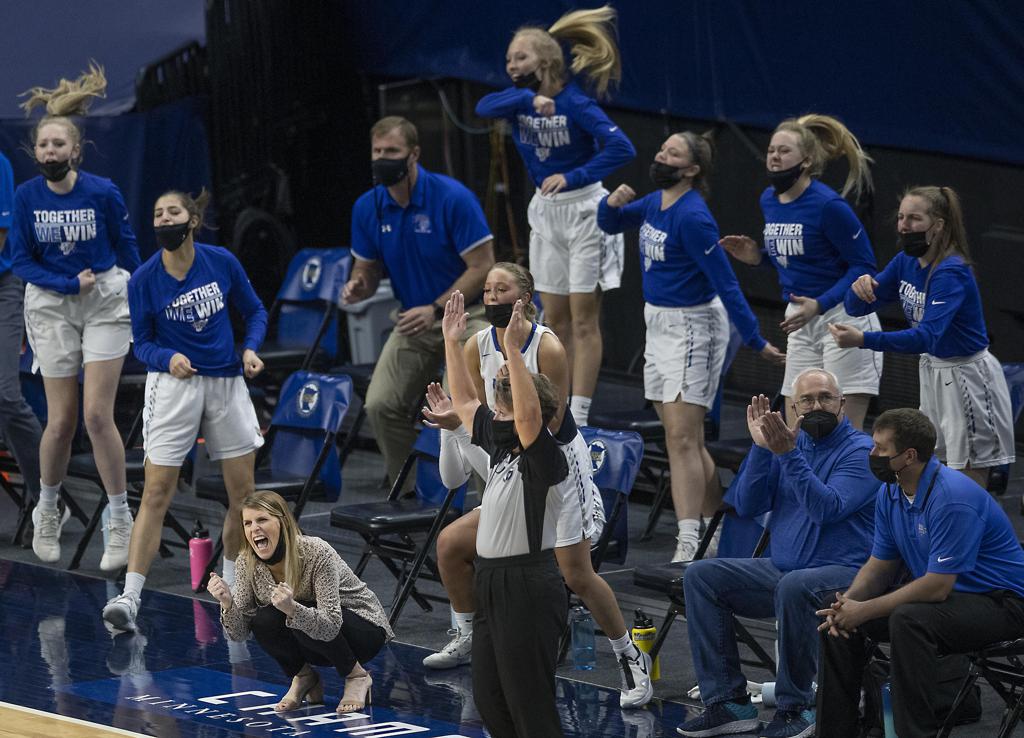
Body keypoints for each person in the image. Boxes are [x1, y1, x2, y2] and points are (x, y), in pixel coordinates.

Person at [420, 262, 653, 709]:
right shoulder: (475, 345)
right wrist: (463, 413)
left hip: (553, 461)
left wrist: (481, 424)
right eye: (487, 290)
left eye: (501, 289)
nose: (491, 297)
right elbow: (469, 402)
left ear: (524, 297)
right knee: (451, 543)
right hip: (508, 452)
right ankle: (469, 636)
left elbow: (549, 419)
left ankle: (629, 655)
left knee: (576, 573)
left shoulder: (547, 346)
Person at [597, 131, 785, 563]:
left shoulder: (694, 217)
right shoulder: (655, 203)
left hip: (693, 326)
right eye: (662, 149)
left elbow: (727, 283)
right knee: (686, 439)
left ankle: (688, 540)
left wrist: (756, 340)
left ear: (692, 170)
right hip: (658, 322)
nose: (661, 156)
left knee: (682, 439)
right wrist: (609, 203)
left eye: (673, 153)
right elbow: (610, 223)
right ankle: (717, 527)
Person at [676, 369, 877, 738]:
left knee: (795, 586)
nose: (816, 406)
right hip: (785, 570)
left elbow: (826, 509)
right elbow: (748, 504)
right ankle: (728, 703)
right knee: (701, 576)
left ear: (842, 404)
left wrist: (787, 455)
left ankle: (797, 707)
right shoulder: (787, 444)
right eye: (806, 400)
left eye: (825, 397)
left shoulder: (861, 451)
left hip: (847, 575)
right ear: (792, 408)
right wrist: (761, 449)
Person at [101, 189, 267, 632]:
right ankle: (130, 597)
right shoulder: (143, 279)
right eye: (157, 213)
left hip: (226, 381)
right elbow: (142, 343)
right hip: (175, 387)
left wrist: (250, 348)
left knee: (243, 495)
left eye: (172, 211)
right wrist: (167, 357)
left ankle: (232, 593)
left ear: (192, 220)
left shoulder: (221, 262)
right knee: (156, 492)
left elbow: (254, 310)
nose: (163, 219)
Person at [815, 408, 1024, 738]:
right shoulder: (890, 491)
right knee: (835, 613)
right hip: (951, 599)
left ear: (909, 456)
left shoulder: (952, 497)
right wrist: (848, 604)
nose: (872, 454)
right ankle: (836, 732)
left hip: (1003, 603)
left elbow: (936, 587)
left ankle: (913, 734)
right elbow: (880, 566)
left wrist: (865, 610)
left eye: (880, 448)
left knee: (910, 620)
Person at [474, 4, 636, 427]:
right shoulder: (518, 102)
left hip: (584, 211)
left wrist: (574, 175)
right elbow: (483, 107)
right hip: (546, 213)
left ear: (545, 61)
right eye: (508, 59)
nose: (512, 65)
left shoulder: (575, 103)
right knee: (554, 319)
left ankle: (579, 413)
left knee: (583, 321)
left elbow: (623, 148)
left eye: (520, 57)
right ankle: (555, 407)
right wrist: (529, 98)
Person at [9, 63, 140, 567]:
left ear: (75, 150)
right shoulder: (26, 197)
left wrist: (147, 296)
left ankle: (120, 519)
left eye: (58, 144)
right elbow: (20, 261)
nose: (50, 152)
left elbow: (127, 248)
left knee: (96, 415)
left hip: (103, 299)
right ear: (36, 152)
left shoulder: (102, 192)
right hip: (51, 301)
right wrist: (67, 283)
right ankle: (48, 508)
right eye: (43, 145)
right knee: (61, 420)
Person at [343, 116, 494, 492]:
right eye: (377, 151)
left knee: (462, 404)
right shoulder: (368, 206)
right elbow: (367, 269)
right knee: (380, 404)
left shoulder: (452, 198)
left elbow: (483, 266)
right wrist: (359, 286)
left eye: (391, 151)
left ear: (413, 154)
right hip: (414, 318)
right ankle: (414, 491)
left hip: (468, 315)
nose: (383, 158)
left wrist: (438, 309)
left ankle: (487, 498)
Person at [443, 289, 569, 738]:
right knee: (490, 697)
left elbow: (530, 417)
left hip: (528, 583)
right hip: (491, 580)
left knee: (528, 703)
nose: (494, 415)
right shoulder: (503, 449)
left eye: (503, 409)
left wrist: (513, 350)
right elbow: (463, 401)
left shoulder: (547, 457)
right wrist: (452, 342)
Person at [832, 186, 1016, 487]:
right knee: (932, 467)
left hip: (966, 376)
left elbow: (926, 337)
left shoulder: (951, 272)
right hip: (933, 371)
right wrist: (857, 288)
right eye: (901, 217)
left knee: (967, 478)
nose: (904, 225)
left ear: (938, 225)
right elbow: (857, 307)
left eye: (914, 218)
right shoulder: (905, 262)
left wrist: (864, 340)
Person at [720, 114, 881, 430]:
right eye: (771, 150)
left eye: (784, 151)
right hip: (801, 319)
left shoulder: (828, 206)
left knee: (843, 431)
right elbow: (797, 258)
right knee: (797, 428)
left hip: (843, 316)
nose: (774, 157)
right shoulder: (769, 199)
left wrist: (820, 304)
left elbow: (864, 266)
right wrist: (757, 258)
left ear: (806, 161)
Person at [208, 491, 393, 714]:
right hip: (315, 642)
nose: (254, 528)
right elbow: (239, 635)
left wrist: (293, 609)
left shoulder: (316, 551)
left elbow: (330, 624)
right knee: (263, 619)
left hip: (363, 631)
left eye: (262, 520)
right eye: (248, 523)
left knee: (300, 616)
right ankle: (304, 676)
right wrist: (227, 604)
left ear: (283, 522)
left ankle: (357, 676)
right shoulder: (246, 562)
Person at [0, 149, 43, 529]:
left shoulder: (0, 164)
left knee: (6, 395)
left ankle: (47, 498)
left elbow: (1, 235)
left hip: (4, 285)